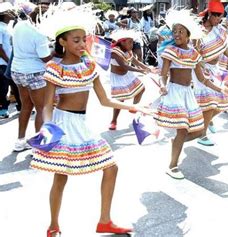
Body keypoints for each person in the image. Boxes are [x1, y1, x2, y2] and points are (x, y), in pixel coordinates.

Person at [30, 4, 146, 236]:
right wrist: (48, 126)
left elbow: (104, 100)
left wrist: (131, 106)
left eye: (84, 39)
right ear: (62, 42)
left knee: (111, 168)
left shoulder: (89, 65)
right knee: (61, 176)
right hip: (62, 124)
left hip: (81, 124)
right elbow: (46, 104)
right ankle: (53, 225)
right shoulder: (55, 68)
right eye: (76, 40)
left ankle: (105, 220)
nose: (82, 44)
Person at [154, 9, 228, 179]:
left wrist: (221, 89)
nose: (177, 34)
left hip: (188, 95)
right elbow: (164, 74)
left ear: (189, 34)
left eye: (181, 31)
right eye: (175, 31)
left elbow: (203, 79)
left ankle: (176, 143)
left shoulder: (194, 54)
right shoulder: (170, 52)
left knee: (197, 131)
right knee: (182, 130)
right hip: (175, 93)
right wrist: (162, 86)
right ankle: (173, 166)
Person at [193, 0, 228, 146]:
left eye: (221, 16)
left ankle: (207, 120)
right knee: (210, 103)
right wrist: (201, 70)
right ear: (209, 14)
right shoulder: (198, 32)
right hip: (203, 70)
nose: (219, 19)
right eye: (217, 15)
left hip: (216, 69)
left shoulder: (219, 30)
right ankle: (202, 134)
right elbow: (194, 56)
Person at [11, 3, 53, 152]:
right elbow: (45, 58)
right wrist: (56, 53)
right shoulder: (39, 32)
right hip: (34, 72)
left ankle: (20, 141)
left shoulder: (18, 25)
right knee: (41, 108)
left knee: (26, 106)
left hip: (17, 71)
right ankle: (38, 146)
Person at [108, 30, 154, 130]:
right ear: (122, 42)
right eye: (130, 42)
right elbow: (124, 66)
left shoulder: (128, 51)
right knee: (120, 99)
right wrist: (140, 70)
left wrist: (148, 68)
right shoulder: (115, 52)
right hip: (117, 77)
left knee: (141, 89)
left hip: (127, 74)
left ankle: (134, 107)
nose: (132, 45)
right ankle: (114, 120)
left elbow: (136, 62)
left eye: (132, 42)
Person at [0, 3, 16, 119]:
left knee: (15, 86)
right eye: (10, 12)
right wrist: (8, 60)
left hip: (8, 62)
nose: (12, 14)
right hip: (3, 64)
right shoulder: (0, 28)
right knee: (3, 88)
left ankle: (21, 106)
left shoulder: (6, 27)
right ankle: (3, 110)